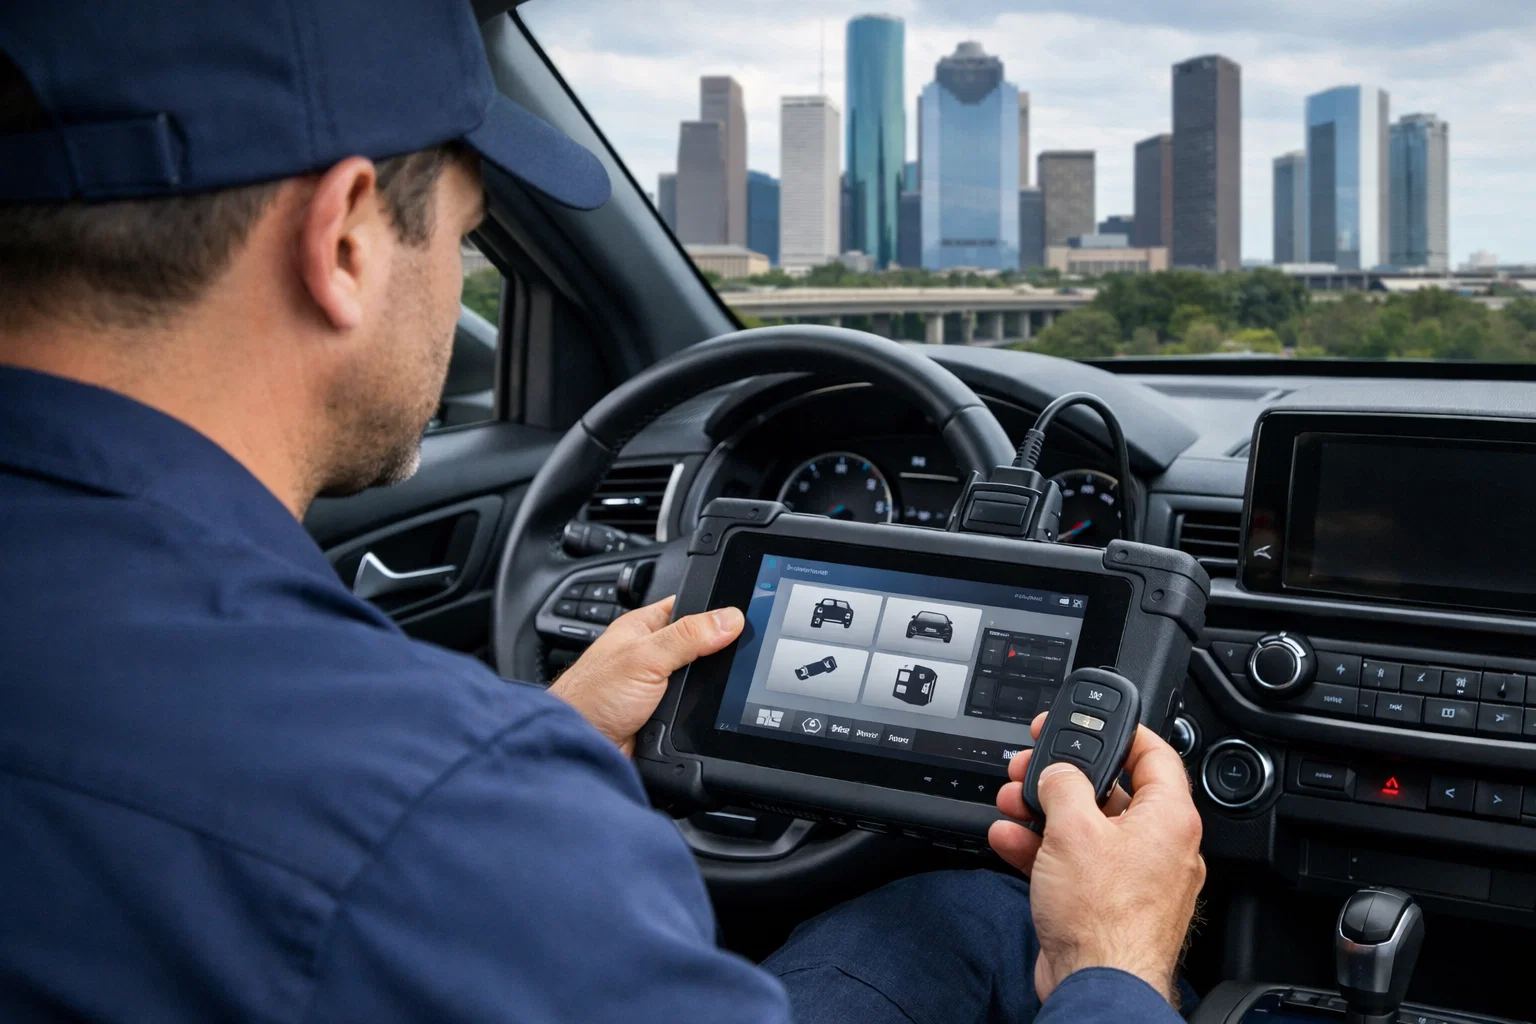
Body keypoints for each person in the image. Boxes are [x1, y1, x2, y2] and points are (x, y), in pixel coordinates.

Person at [0, 2, 1205, 1022]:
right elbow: (405, 842)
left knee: (945, 912)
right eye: (466, 244)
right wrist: (1114, 965)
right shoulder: (449, 817)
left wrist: (550, 745)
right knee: (994, 926)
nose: (453, 290)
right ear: (347, 241)